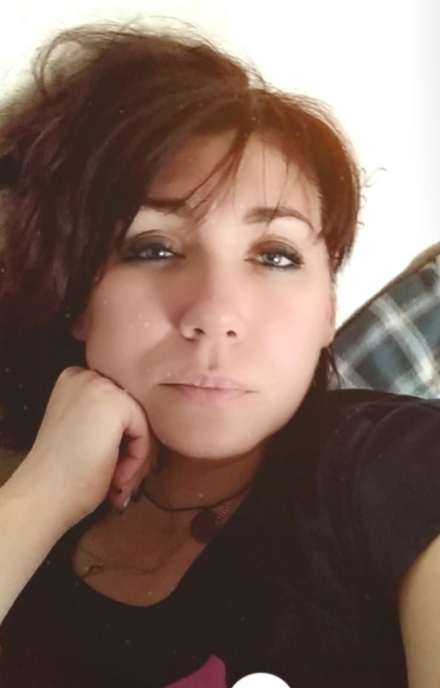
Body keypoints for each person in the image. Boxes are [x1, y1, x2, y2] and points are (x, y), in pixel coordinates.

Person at [0, 21, 438, 688]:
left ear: (327, 309)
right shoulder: (26, 496)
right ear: (80, 297)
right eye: (154, 247)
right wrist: (44, 492)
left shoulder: (394, 468)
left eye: (275, 256)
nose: (215, 314)